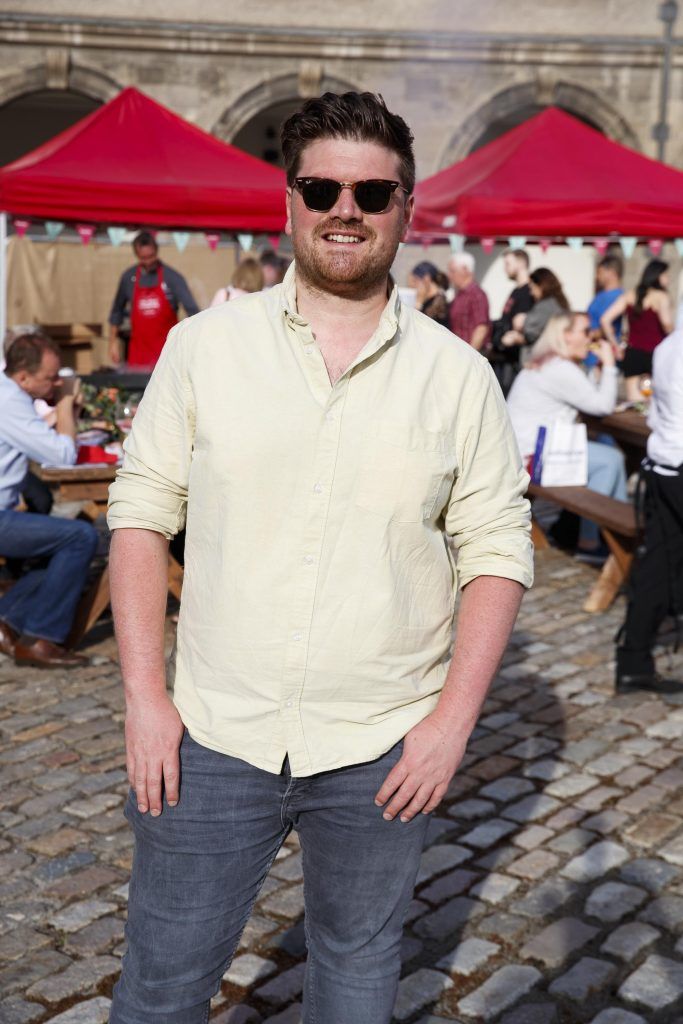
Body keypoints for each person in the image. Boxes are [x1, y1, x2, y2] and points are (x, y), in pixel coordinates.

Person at [107, 90, 533, 1024]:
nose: (347, 210)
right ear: (288, 202)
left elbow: (496, 550)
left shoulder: (457, 376)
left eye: (373, 194)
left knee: (355, 971)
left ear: (405, 210)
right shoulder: (203, 348)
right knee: (163, 986)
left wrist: (451, 724)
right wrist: (144, 696)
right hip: (213, 735)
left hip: (384, 741)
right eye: (323, 188)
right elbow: (139, 515)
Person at [0, 332, 98, 668]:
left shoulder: (9, 395)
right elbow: (62, 454)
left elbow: (38, 438)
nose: (57, 382)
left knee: (64, 536)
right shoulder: (9, 401)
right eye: (51, 377)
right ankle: (41, 637)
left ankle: (9, 619)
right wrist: (67, 403)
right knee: (81, 536)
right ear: (24, 377)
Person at [507, 312, 627, 555]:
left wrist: (599, 368)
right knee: (610, 460)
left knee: (607, 449)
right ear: (565, 335)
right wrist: (611, 366)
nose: (591, 336)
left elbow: (589, 397)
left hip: (523, 452)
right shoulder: (559, 368)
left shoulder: (550, 363)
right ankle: (592, 540)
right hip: (531, 459)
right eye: (585, 331)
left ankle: (616, 534)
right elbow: (602, 405)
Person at [616, 327, 683, 695]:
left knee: (657, 565)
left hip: (663, 466)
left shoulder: (668, 345)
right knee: (658, 564)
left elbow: (657, 414)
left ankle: (633, 662)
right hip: (675, 466)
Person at [108, 231, 199, 369]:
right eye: (143, 258)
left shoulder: (172, 277)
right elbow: (116, 312)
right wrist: (112, 342)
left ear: (157, 251)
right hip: (138, 356)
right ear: (136, 255)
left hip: (167, 356)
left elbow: (193, 312)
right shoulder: (129, 277)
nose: (148, 262)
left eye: (151, 256)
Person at [601, 259, 673, 402]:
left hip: (633, 353)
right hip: (656, 354)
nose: (668, 279)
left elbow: (605, 319)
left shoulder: (629, 295)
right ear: (657, 276)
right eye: (666, 275)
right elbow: (667, 325)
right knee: (654, 402)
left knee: (634, 402)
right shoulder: (661, 297)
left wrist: (616, 346)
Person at [490, 248, 535, 395]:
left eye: (508, 263)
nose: (505, 268)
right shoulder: (516, 291)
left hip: (516, 361)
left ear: (521, 263)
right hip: (506, 358)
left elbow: (524, 325)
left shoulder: (528, 292)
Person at [446, 251, 490, 349]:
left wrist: (471, 356)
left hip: (469, 356)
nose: (449, 276)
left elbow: (481, 328)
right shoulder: (460, 295)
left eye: (452, 271)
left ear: (465, 270)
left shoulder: (476, 294)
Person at [587, 254, 624, 341]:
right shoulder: (600, 295)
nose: (597, 277)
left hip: (601, 348)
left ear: (611, 272)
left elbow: (610, 328)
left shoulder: (619, 297)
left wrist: (587, 335)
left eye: (600, 272)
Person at [409, 260, 449, 326]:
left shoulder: (439, 303)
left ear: (426, 279)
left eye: (415, 281)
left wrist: (419, 302)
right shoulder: (431, 300)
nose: (413, 285)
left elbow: (420, 326)